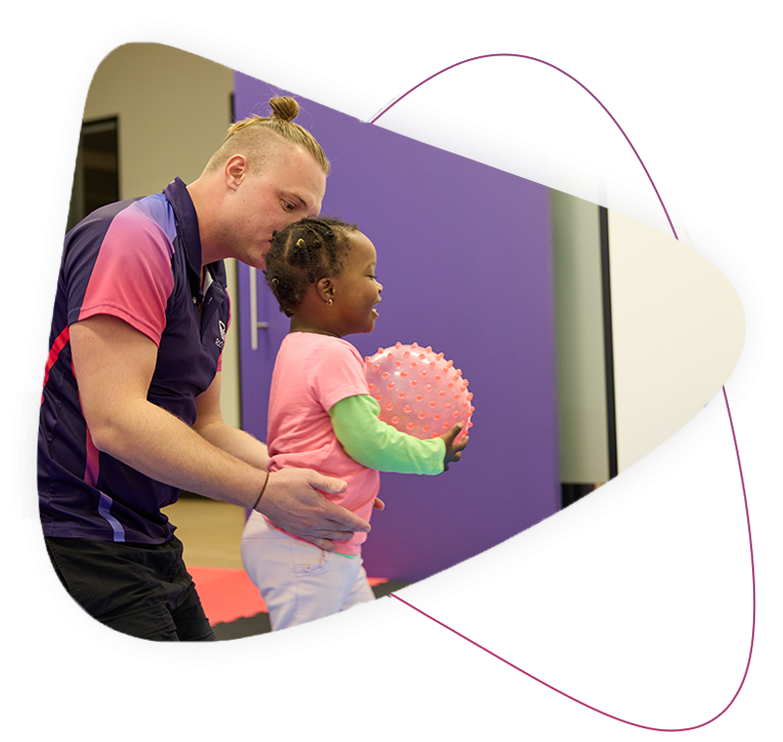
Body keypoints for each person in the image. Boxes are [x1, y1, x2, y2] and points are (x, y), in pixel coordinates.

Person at [12, 97, 376, 643]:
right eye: (289, 205)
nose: (299, 237)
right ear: (235, 172)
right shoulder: (134, 236)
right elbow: (116, 419)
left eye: (309, 217)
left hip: (146, 529)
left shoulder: (215, 284)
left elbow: (209, 427)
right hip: (73, 530)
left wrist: (321, 481)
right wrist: (264, 492)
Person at [241, 217, 469, 632]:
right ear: (328, 290)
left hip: (323, 544)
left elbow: (319, 443)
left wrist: (358, 486)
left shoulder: (296, 348)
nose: (379, 287)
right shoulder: (335, 354)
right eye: (370, 275)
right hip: (307, 547)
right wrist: (432, 454)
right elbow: (367, 441)